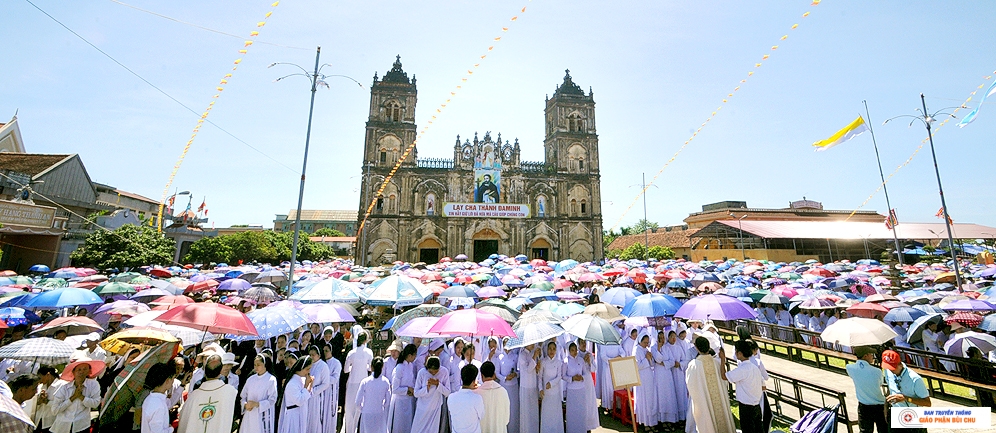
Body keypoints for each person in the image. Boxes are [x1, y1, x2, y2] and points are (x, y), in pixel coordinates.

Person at [177, 354, 238, 433]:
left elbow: (183, 420)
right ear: (220, 371)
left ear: (205, 371)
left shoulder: (194, 396)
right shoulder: (230, 392)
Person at [685, 337, 734, 433]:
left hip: (703, 398)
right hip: (719, 399)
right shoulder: (716, 362)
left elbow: (690, 383)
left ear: (697, 348)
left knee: (707, 419)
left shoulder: (694, 365)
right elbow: (724, 380)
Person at [882, 350, 931, 433]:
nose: (890, 370)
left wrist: (906, 398)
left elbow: (927, 403)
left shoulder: (915, 379)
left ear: (900, 364)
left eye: (892, 368)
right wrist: (886, 408)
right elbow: (890, 390)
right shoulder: (888, 371)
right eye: (888, 367)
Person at [51, 358, 103, 433]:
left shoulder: (93, 385)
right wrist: (73, 397)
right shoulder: (64, 387)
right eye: (79, 369)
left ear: (89, 371)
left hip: (82, 426)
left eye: (85, 369)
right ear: (73, 372)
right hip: (63, 426)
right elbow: (54, 410)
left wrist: (81, 397)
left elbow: (95, 404)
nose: (81, 372)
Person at [721, 340, 764, 433]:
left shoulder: (742, 369)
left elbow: (724, 376)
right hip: (756, 405)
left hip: (746, 407)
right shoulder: (754, 367)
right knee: (758, 429)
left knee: (748, 429)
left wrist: (722, 360)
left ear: (740, 353)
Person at [845, 346, 889, 433]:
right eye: (871, 354)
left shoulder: (850, 368)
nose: (872, 356)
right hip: (879, 405)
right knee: (883, 430)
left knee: (864, 431)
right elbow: (880, 383)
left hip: (863, 405)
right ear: (865, 356)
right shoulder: (876, 371)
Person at [342, 328, 373, 433]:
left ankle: (349, 430)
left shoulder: (351, 353)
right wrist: (364, 366)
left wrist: (354, 367)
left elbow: (346, 370)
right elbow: (370, 368)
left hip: (352, 382)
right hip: (363, 381)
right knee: (361, 407)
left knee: (349, 408)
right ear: (365, 340)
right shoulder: (369, 352)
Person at [240, 354, 278, 433]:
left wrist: (257, 404)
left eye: (258, 365)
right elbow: (243, 396)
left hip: (262, 415)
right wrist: (245, 404)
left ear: (265, 365)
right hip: (249, 414)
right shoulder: (250, 379)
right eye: (255, 365)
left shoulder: (271, 379)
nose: (256, 367)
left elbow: (272, 399)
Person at [412, 356, 450, 433]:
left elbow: (447, 392)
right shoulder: (422, 372)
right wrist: (426, 388)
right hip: (422, 407)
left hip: (435, 408)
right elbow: (416, 393)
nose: (433, 373)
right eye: (431, 372)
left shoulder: (444, 371)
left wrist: (438, 384)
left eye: (436, 371)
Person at [355, 357, 391, 433]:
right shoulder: (386, 382)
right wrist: (381, 406)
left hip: (366, 414)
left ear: (371, 367)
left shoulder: (365, 381)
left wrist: (363, 409)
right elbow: (388, 401)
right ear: (382, 367)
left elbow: (357, 402)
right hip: (379, 413)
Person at [277, 355, 313, 433]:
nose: (309, 372)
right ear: (301, 368)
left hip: (300, 413)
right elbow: (299, 401)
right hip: (293, 417)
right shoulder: (292, 383)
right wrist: (306, 385)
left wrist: (310, 385)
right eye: (307, 369)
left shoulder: (301, 379)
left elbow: (307, 395)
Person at [651, 330, 678, 425]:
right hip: (659, 375)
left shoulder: (667, 347)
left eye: (663, 338)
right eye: (660, 338)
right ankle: (661, 419)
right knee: (661, 395)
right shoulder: (653, 348)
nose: (662, 340)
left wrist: (664, 363)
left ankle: (669, 419)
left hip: (667, 374)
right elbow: (657, 359)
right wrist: (658, 349)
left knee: (668, 394)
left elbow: (672, 361)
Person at [631, 330, 657, 430]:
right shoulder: (636, 350)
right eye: (645, 342)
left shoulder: (646, 349)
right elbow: (637, 366)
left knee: (650, 400)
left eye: (647, 342)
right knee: (643, 400)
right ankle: (645, 423)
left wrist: (650, 358)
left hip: (649, 377)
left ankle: (651, 422)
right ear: (640, 341)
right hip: (641, 378)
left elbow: (652, 364)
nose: (646, 344)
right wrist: (646, 359)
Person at [391, 344, 418, 433]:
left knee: (408, 425)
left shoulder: (411, 366)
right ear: (410, 355)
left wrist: (413, 389)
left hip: (409, 401)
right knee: (400, 425)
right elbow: (395, 389)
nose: (415, 357)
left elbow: (412, 381)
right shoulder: (399, 368)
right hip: (400, 402)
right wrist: (407, 390)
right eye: (414, 355)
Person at [448, 364, 484, 433]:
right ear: (474, 381)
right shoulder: (477, 398)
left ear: (461, 378)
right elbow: (481, 416)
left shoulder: (451, 398)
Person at [141, 363, 176, 433]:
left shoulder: (150, 398)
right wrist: (170, 429)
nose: (173, 382)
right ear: (167, 380)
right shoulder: (158, 404)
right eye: (173, 379)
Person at [476, 361, 510, 433]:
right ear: (494, 375)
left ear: (481, 376)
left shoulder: (476, 394)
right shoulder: (503, 392)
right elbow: (506, 419)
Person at [28, 365, 63, 433]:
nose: (39, 380)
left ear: (48, 375)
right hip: (38, 420)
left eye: (40, 377)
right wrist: (39, 401)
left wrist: (47, 401)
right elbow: (34, 403)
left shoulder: (60, 385)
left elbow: (61, 404)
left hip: (51, 421)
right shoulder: (40, 386)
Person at [538, 341, 563, 433]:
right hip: (546, 394)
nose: (551, 351)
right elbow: (540, 377)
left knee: (555, 415)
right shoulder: (543, 362)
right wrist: (540, 389)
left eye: (553, 349)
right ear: (547, 350)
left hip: (555, 393)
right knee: (547, 415)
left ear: (556, 350)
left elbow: (559, 376)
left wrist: (551, 383)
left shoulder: (558, 362)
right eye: (550, 349)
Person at [306, 345, 332, 433]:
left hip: (316, 397)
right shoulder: (308, 365)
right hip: (306, 396)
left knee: (314, 419)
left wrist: (314, 391)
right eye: (310, 355)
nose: (311, 357)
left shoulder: (323, 366)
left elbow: (326, 383)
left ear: (319, 355)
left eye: (313, 355)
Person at [517, 344, 540, 433]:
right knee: (526, 412)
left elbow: (535, 369)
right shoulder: (522, 354)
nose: (533, 345)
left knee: (533, 412)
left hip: (533, 385)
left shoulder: (533, 352)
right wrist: (534, 356)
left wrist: (538, 366)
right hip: (525, 386)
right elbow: (528, 369)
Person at [497, 342, 519, 433]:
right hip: (504, 386)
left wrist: (515, 374)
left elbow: (519, 371)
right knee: (504, 408)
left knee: (513, 409)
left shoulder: (515, 357)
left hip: (514, 386)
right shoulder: (500, 357)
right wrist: (505, 378)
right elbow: (497, 373)